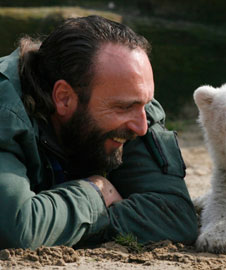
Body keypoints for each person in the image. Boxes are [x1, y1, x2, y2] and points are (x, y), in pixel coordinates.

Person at [0, 15, 198, 249]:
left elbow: (174, 217)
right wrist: (95, 194)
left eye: (144, 103)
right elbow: (18, 231)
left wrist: (59, 222)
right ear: (64, 98)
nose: (141, 126)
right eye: (124, 107)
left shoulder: (133, 108)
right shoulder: (7, 113)